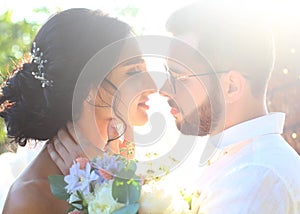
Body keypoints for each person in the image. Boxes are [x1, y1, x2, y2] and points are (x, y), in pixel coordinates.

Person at [1, 8, 156, 213]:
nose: (152, 85)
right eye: (133, 71)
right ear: (89, 88)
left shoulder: (121, 161)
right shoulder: (31, 198)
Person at [160, 1, 300, 213]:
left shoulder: (253, 178)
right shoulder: (235, 160)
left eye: (179, 76)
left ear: (231, 87)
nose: (164, 89)